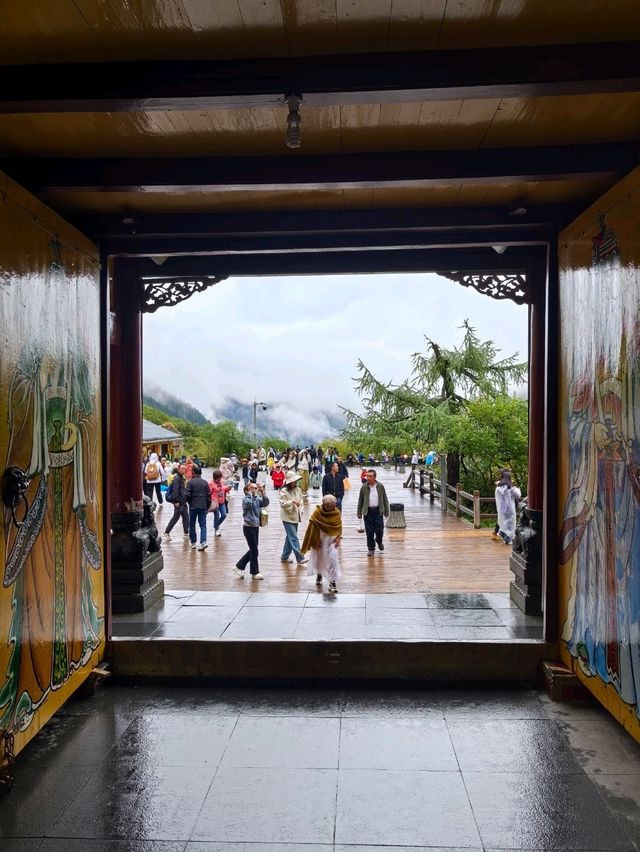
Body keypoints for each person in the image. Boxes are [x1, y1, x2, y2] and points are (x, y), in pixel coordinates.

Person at [301, 494, 343, 594]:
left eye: (332, 506)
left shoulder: (336, 513)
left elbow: (339, 525)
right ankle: (319, 574)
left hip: (332, 540)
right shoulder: (317, 512)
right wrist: (315, 539)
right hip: (320, 538)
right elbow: (312, 527)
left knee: (333, 559)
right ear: (324, 505)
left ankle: (332, 583)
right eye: (328, 507)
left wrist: (338, 537)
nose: (330, 509)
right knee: (320, 558)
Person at [234, 481, 269, 579]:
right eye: (252, 488)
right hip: (248, 527)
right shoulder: (245, 499)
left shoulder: (257, 498)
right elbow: (248, 505)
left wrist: (262, 491)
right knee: (254, 550)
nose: (254, 489)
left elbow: (265, 502)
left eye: (255, 488)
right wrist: (251, 494)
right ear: (247, 490)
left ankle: (239, 566)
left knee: (254, 549)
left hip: (256, 526)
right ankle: (254, 572)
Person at [278, 470, 308, 566]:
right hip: (287, 517)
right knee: (294, 537)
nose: (294, 482)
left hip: (296, 516)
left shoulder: (298, 489)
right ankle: (300, 557)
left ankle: (284, 557)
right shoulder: (284, 491)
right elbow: (282, 504)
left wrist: (301, 509)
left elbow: (301, 502)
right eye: (293, 481)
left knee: (289, 537)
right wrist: (292, 502)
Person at [357, 469, 390, 557]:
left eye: (370, 476)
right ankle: (371, 549)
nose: (368, 478)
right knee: (369, 532)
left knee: (380, 530)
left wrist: (387, 510)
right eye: (367, 476)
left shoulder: (380, 486)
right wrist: (359, 512)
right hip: (368, 512)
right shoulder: (364, 487)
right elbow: (360, 500)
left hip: (378, 511)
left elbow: (385, 498)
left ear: (374, 477)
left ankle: (379, 541)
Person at [185, 464, 211, 551]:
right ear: (201, 473)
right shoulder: (205, 483)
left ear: (193, 473)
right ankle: (203, 542)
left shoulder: (190, 482)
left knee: (192, 524)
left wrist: (190, 502)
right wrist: (207, 507)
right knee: (203, 525)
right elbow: (208, 496)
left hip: (193, 506)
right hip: (203, 506)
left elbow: (187, 494)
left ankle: (193, 543)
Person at [494, 469, 521, 545]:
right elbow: (518, 495)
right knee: (511, 525)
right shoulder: (510, 488)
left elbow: (497, 499)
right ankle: (509, 539)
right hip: (510, 509)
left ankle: (505, 536)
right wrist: (514, 487)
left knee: (503, 524)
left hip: (501, 510)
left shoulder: (498, 488)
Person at [163, 464, 189, 540]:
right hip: (179, 502)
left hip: (183, 501)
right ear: (178, 469)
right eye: (182, 469)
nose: (183, 470)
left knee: (186, 517)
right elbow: (175, 492)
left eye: (185, 469)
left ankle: (186, 533)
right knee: (176, 518)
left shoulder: (181, 477)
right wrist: (176, 501)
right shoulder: (177, 478)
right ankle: (166, 533)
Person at [209, 469, 231, 538]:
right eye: (217, 479)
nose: (219, 480)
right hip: (215, 503)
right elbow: (208, 493)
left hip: (222, 502)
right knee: (216, 516)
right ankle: (216, 530)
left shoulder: (222, 482)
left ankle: (216, 525)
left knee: (224, 515)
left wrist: (229, 487)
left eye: (220, 478)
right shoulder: (210, 483)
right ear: (214, 478)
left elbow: (225, 489)